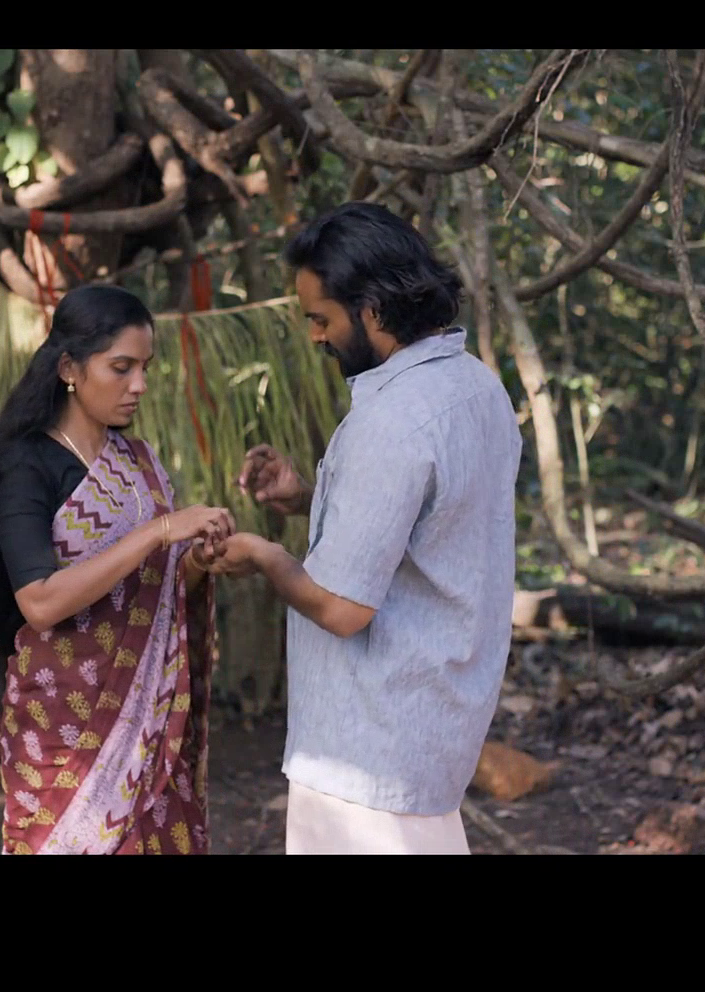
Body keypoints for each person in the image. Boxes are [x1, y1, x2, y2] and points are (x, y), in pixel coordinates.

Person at [208, 202, 522, 855]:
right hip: (430, 723)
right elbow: (429, 523)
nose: (315, 337)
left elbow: (343, 608)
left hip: (367, 748)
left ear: (373, 311)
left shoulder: (391, 420)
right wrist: (309, 496)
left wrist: (264, 555)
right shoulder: (477, 387)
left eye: (322, 319)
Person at [0, 284, 235, 855]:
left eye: (145, 368)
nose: (139, 385)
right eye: (121, 368)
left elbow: (159, 591)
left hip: (149, 714)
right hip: (64, 722)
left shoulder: (138, 463)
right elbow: (40, 602)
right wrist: (159, 532)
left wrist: (197, 558)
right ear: (69, 368)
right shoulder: (26, 466)